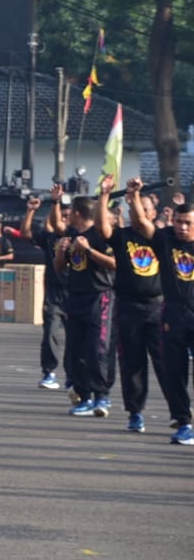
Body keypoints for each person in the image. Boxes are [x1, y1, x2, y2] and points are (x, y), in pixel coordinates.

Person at [98, 176, 170, 435]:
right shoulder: (122, 237)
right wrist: (105, 195)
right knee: (132, 363)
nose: (138, 213)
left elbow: (141, 221)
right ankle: (135, 412)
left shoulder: (162, 238)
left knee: (166, 363)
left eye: (143, 208)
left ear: (153, 214)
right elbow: (103, 229)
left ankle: (179, 412)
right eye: (134, 208)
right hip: (129, 308)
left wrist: (135, 196)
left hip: (158, 308)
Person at [125, 182, 194, 444]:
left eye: (188, 222)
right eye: (179, 221)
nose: (182, 227)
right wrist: (133, 197)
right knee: (174, 373)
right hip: (173, 319)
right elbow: (142, 224)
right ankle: (184, 423)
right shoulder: (165, 241)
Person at [53, 190, 116, 416]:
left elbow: (113, 263)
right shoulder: (70, 234)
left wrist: (88, 250)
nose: (67, 217)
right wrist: (61, 252)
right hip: (75, 296)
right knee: (75, 349)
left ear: (77, 214)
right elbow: (60, 268)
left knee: (97, 349)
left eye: (70, 213)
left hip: (99, 297)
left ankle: (102, 396)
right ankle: (84, 396)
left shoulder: (99, 235)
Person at [20, 192, 66, 390]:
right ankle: (49, 372)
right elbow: (26, 233)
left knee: (79, 338)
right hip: (55, 292)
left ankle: (75, 375)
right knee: (50, 333)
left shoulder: (82, 237)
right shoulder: (50, 238)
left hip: (81, 292)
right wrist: (30, 211)